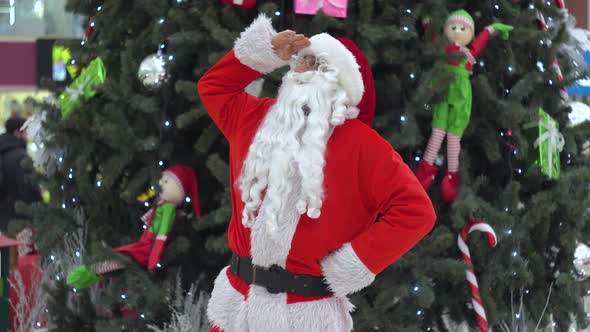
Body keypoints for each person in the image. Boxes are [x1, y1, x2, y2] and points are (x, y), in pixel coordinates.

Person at [198, 15, 436, 332]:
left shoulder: (365, 147)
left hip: (306, 316)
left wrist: (352, 265)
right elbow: (214, 87)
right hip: (236, 310)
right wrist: (269, 50)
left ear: (344, 86)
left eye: (322, 66)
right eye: (305, 61)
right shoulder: (254, 118)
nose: (308, 71)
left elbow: (416, 211)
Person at [0, 116, 41, 231]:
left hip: (3, 221)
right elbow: (28, 189)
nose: (28, 136)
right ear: (17, 132)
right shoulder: (20, 157)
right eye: (26, 131)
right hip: (21, 220)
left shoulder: (2, 152)